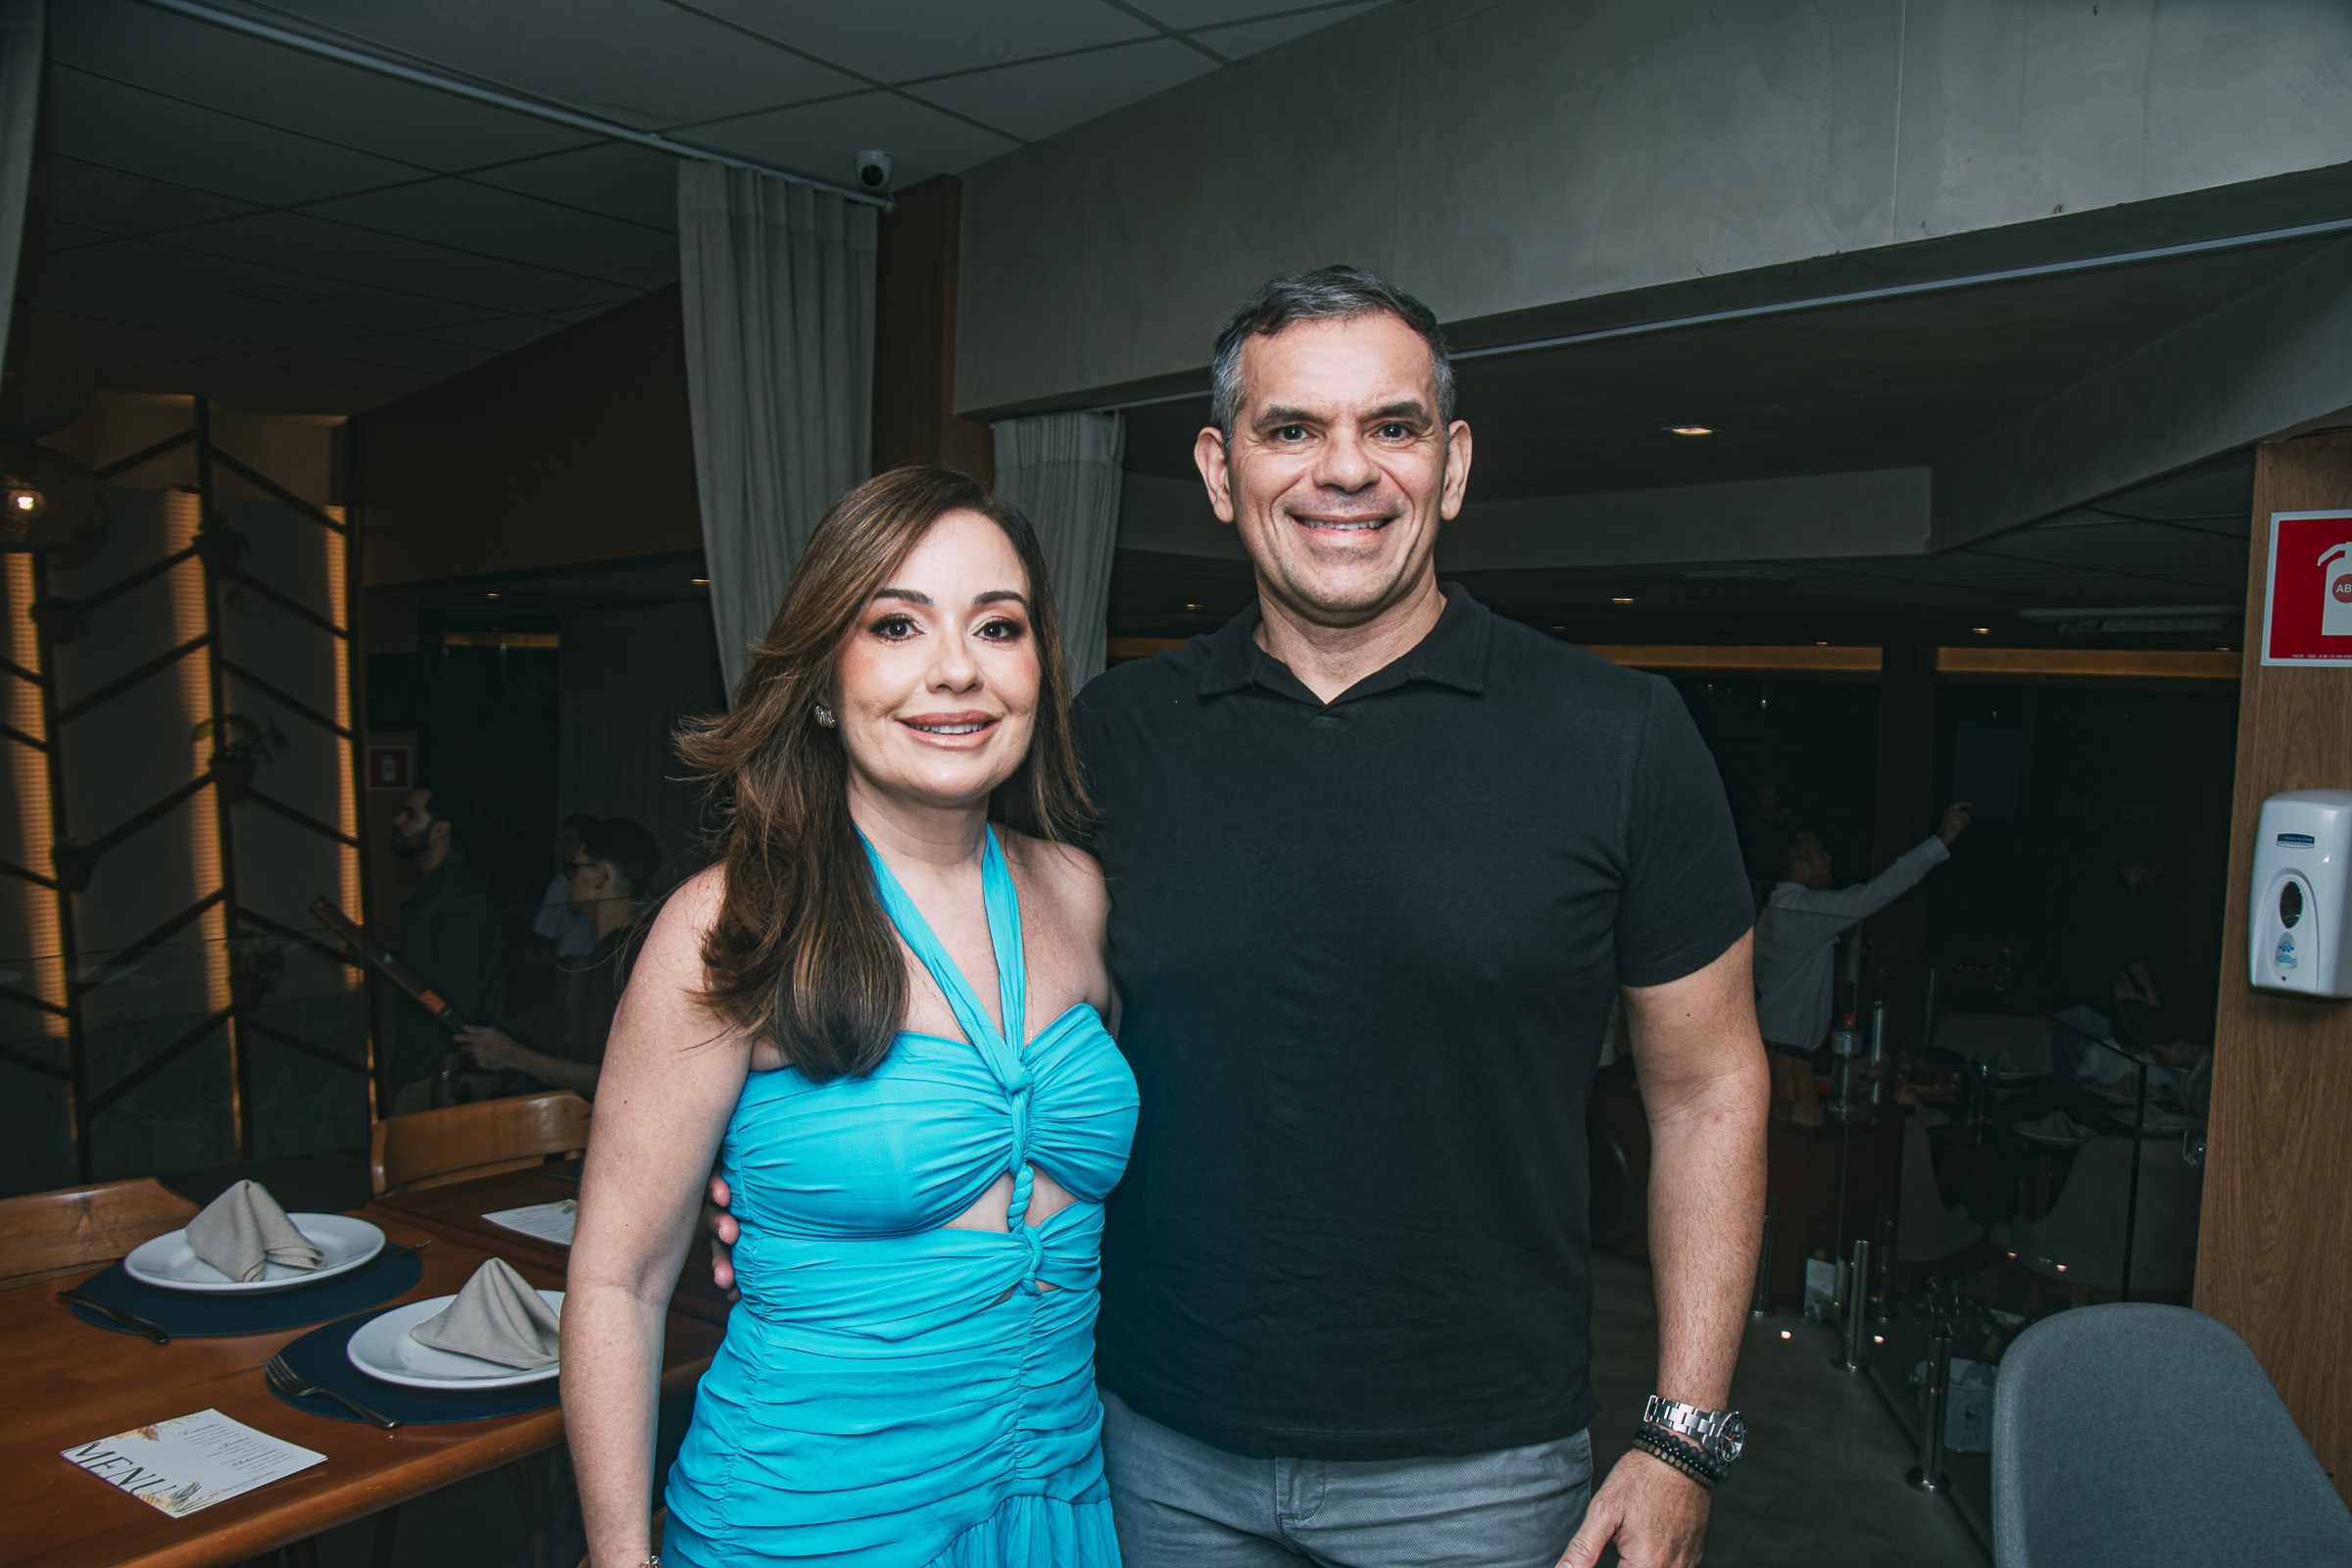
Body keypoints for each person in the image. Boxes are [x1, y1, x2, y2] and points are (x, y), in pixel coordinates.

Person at [716, 267, 1770, 1568]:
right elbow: (969, 992)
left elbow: (1710, 1089)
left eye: (1393, 426)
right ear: (1222, 472)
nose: (1347, 469)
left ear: (1452, 465)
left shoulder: (1618, 737)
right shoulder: (1107, 741)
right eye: (1292, 429)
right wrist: (794, 1184)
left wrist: (1683, 1437)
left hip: (1479, 1473)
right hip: (1149, 1449)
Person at [566, 467, 1135, 1568]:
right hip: (810, 1520)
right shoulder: (730, 922)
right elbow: (616, 1282)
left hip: (1054, 1503)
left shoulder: (1078, 892)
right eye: (897, 624)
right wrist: (618, 1556)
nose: (956, 669)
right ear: (824, 678)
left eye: (998, 626)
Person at [459, 815, 659, 1099]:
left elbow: (603, 1079)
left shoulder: (612, 957)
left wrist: (510, 1054)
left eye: (574, 868)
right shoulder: (637, 948)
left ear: (599, 876)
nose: (569, 879)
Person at [1750, 804, 1972, 1054]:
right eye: (1821, 853)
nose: (1829, 858)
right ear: (1801, 867)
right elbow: (1876, 892)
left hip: (1772, 1044)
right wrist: (1939, 842)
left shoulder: (1777, 907)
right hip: (1786, 1053)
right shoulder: (1805, 910)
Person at [385, 781, 506, 1114]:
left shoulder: (456, 896)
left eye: (411, 815)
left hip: (437, 1073)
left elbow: (461, 998)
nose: (398, 821)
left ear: (440, 830)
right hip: (422, 1066)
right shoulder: (436, 890)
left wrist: (444, 1081)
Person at [532, 811, 601, 962]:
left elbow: (544, 937)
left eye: (568, 840)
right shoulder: (562, 882)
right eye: (561, 840)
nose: (561, 846)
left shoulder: (562, 883)